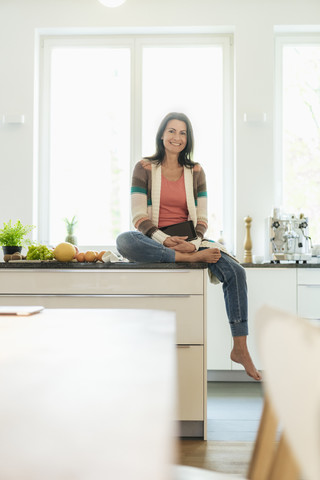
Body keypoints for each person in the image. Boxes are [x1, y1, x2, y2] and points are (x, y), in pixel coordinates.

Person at [116, 112, 261, 381]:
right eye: (171, 131)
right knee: (124, 240)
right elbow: (138, 217)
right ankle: (183, 258)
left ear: (188, 139)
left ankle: (240, 347)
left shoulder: (196, 171)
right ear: (161, 135)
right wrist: (168, 242)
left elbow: (202, 217)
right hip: (157, 240)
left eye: (182, 133)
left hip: (193, 242)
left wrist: (193, 245)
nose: (176, 137)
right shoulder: (144, 167)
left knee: (236, 272)